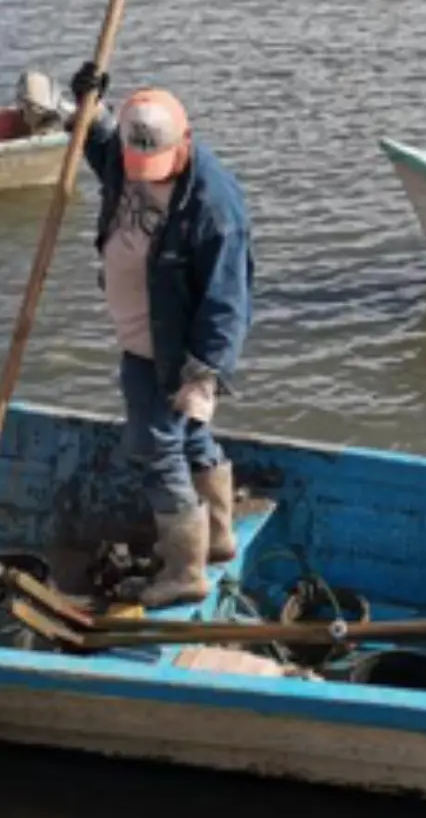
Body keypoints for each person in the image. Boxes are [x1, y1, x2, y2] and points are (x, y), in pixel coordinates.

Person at [68, 60, 254, 608]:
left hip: (173, 351)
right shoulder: (128, 163)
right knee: (189, 439)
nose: (142, 175)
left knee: (156, 447)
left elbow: (228, 298)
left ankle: (182, 570)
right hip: (139, 335)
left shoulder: (213, 208)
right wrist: (88, 110)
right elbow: (103, 151)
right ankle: (216, 537)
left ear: (186, 142)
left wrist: (204, 370)